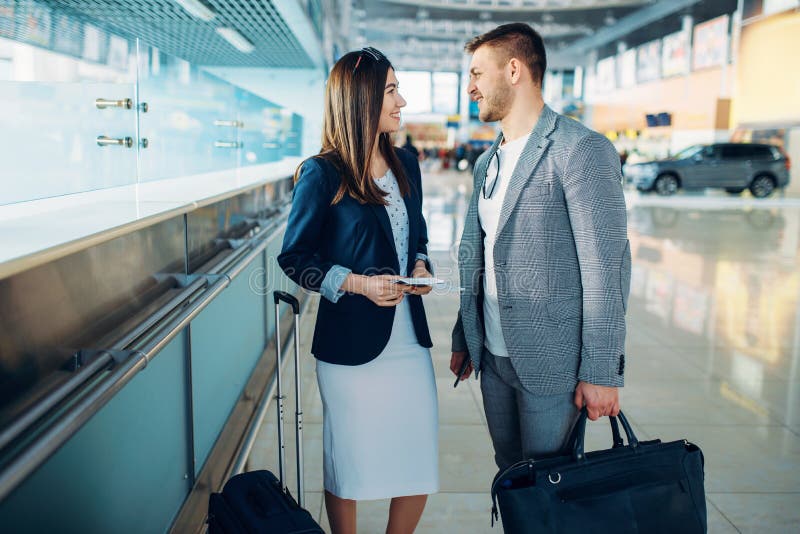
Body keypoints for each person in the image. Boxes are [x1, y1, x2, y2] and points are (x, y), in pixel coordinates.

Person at [449, 23, 631, 476]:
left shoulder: (580, 150)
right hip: (493, 357)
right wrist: (464, 334)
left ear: (514, 70)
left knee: (554, 490)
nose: (469, 88)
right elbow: (485, 254)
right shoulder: (488, 161)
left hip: (554, 363)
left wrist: (602, 372)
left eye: (476, 73)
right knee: (512, 480)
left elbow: (606, 269)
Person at [278, 47, 438, 534]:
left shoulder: (405, 162)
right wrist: (359, 284)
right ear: (362, 99)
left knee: (417, 460)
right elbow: (295, 259)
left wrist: (421, 264)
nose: (401, 101)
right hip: (349, 347)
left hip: (408, 342)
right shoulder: (322, 173)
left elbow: (419, 231)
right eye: (391, 90)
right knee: (349, 461)